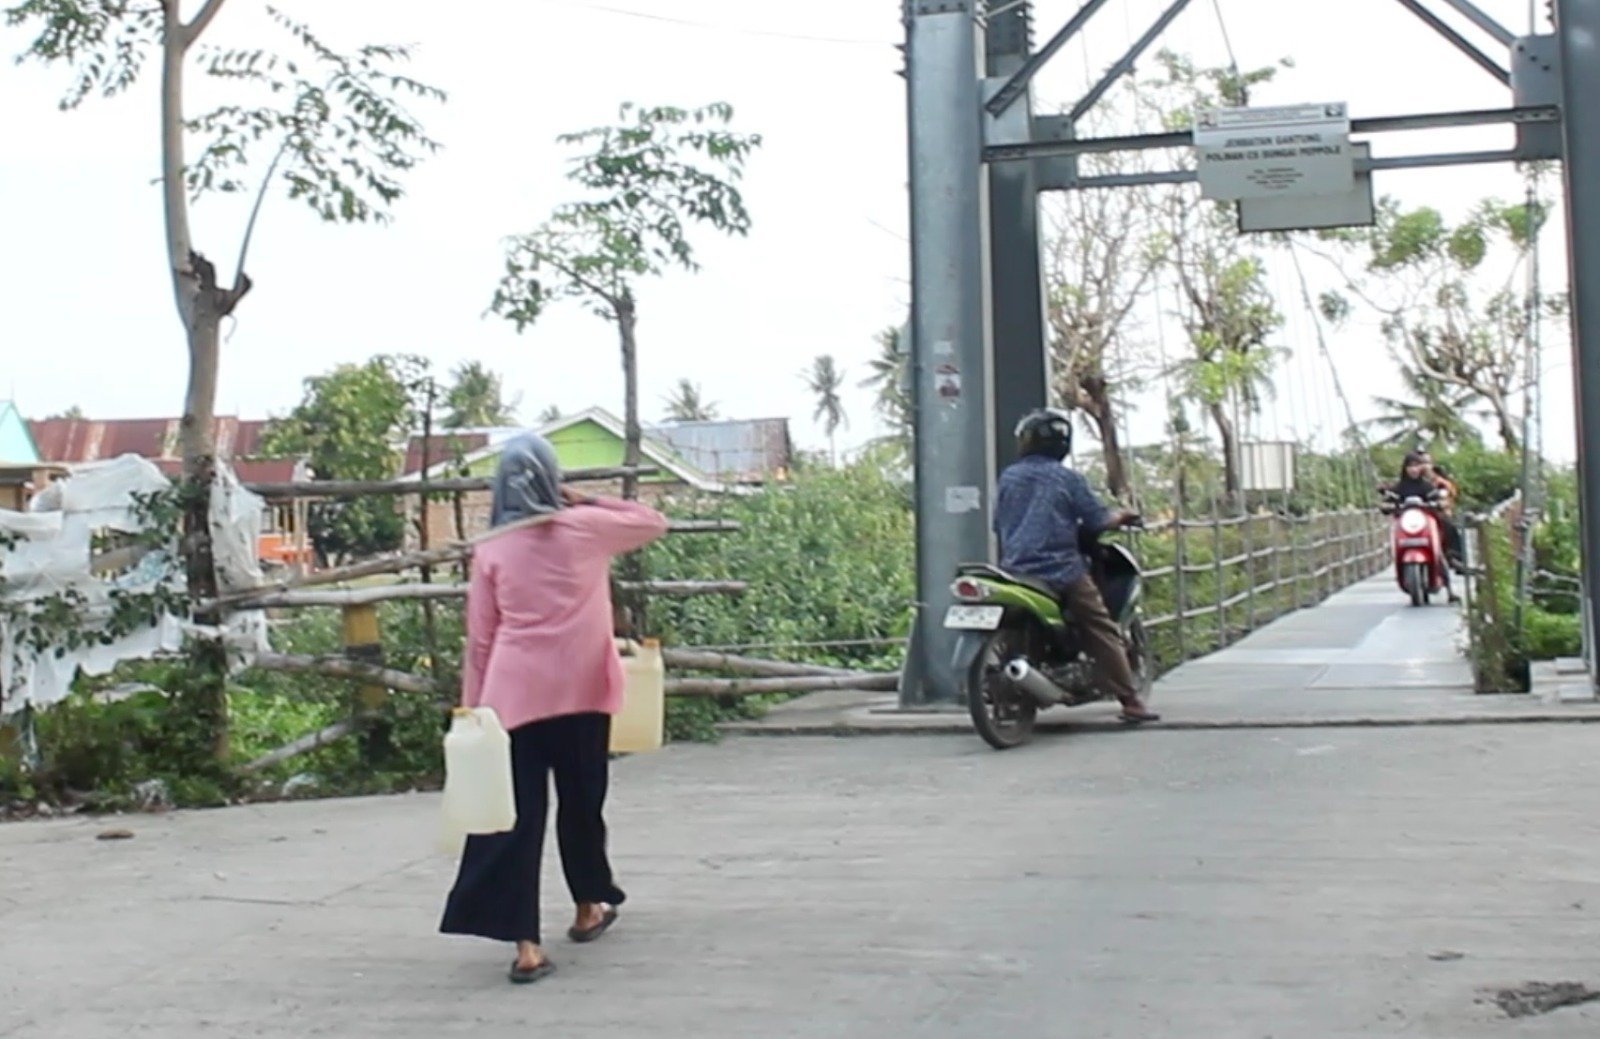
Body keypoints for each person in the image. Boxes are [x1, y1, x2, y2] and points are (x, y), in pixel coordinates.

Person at [440, 433, 669, 985]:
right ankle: (590, 905)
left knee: (513, 821)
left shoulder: (492, 548)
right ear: (549, 478)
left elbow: (481, 639)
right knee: (581, 803)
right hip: (584, 691)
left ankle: (525, 947)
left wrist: (472, 707)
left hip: (513, 697)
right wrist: (581, 499)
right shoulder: (586, 530)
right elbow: (650, 520)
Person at [993, 408, 1160, 724]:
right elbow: (1097, 520)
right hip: (1059, 569)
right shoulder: (1067, 479)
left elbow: (998, 524)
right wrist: (1122, 516)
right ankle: (1131, 701)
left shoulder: (1009, 477)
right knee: (1100, 626)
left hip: (1015, 569)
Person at [1381, 451, 1461, 602]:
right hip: (1407, 524)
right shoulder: (1398, 488)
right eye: (1410, 466)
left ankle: (1450, 587)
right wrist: (1386, 505)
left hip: (1425, 523)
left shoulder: (1428, 486)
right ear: (1404, 468)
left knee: (1440, 550)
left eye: (1417, 466)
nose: (1413, 469)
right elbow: (1387, 500)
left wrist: (1440, 503)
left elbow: (1442, 497)